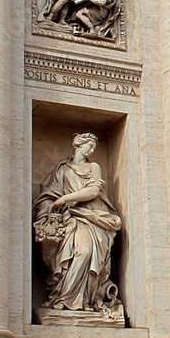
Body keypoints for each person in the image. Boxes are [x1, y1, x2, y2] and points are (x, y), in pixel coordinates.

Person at [33, 133, 122, 312]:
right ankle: (66, 297)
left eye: (94, 147)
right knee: (73, 254)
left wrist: (64, 199)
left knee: (86, 251)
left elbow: (92, 191)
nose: (92, 150)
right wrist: (50, 208)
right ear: (78, 146)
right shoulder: (62, 170)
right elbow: (48, 194)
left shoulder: (93, 167)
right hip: (70, 219)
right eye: (89, 146)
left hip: (92, 217)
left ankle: (84, 300)